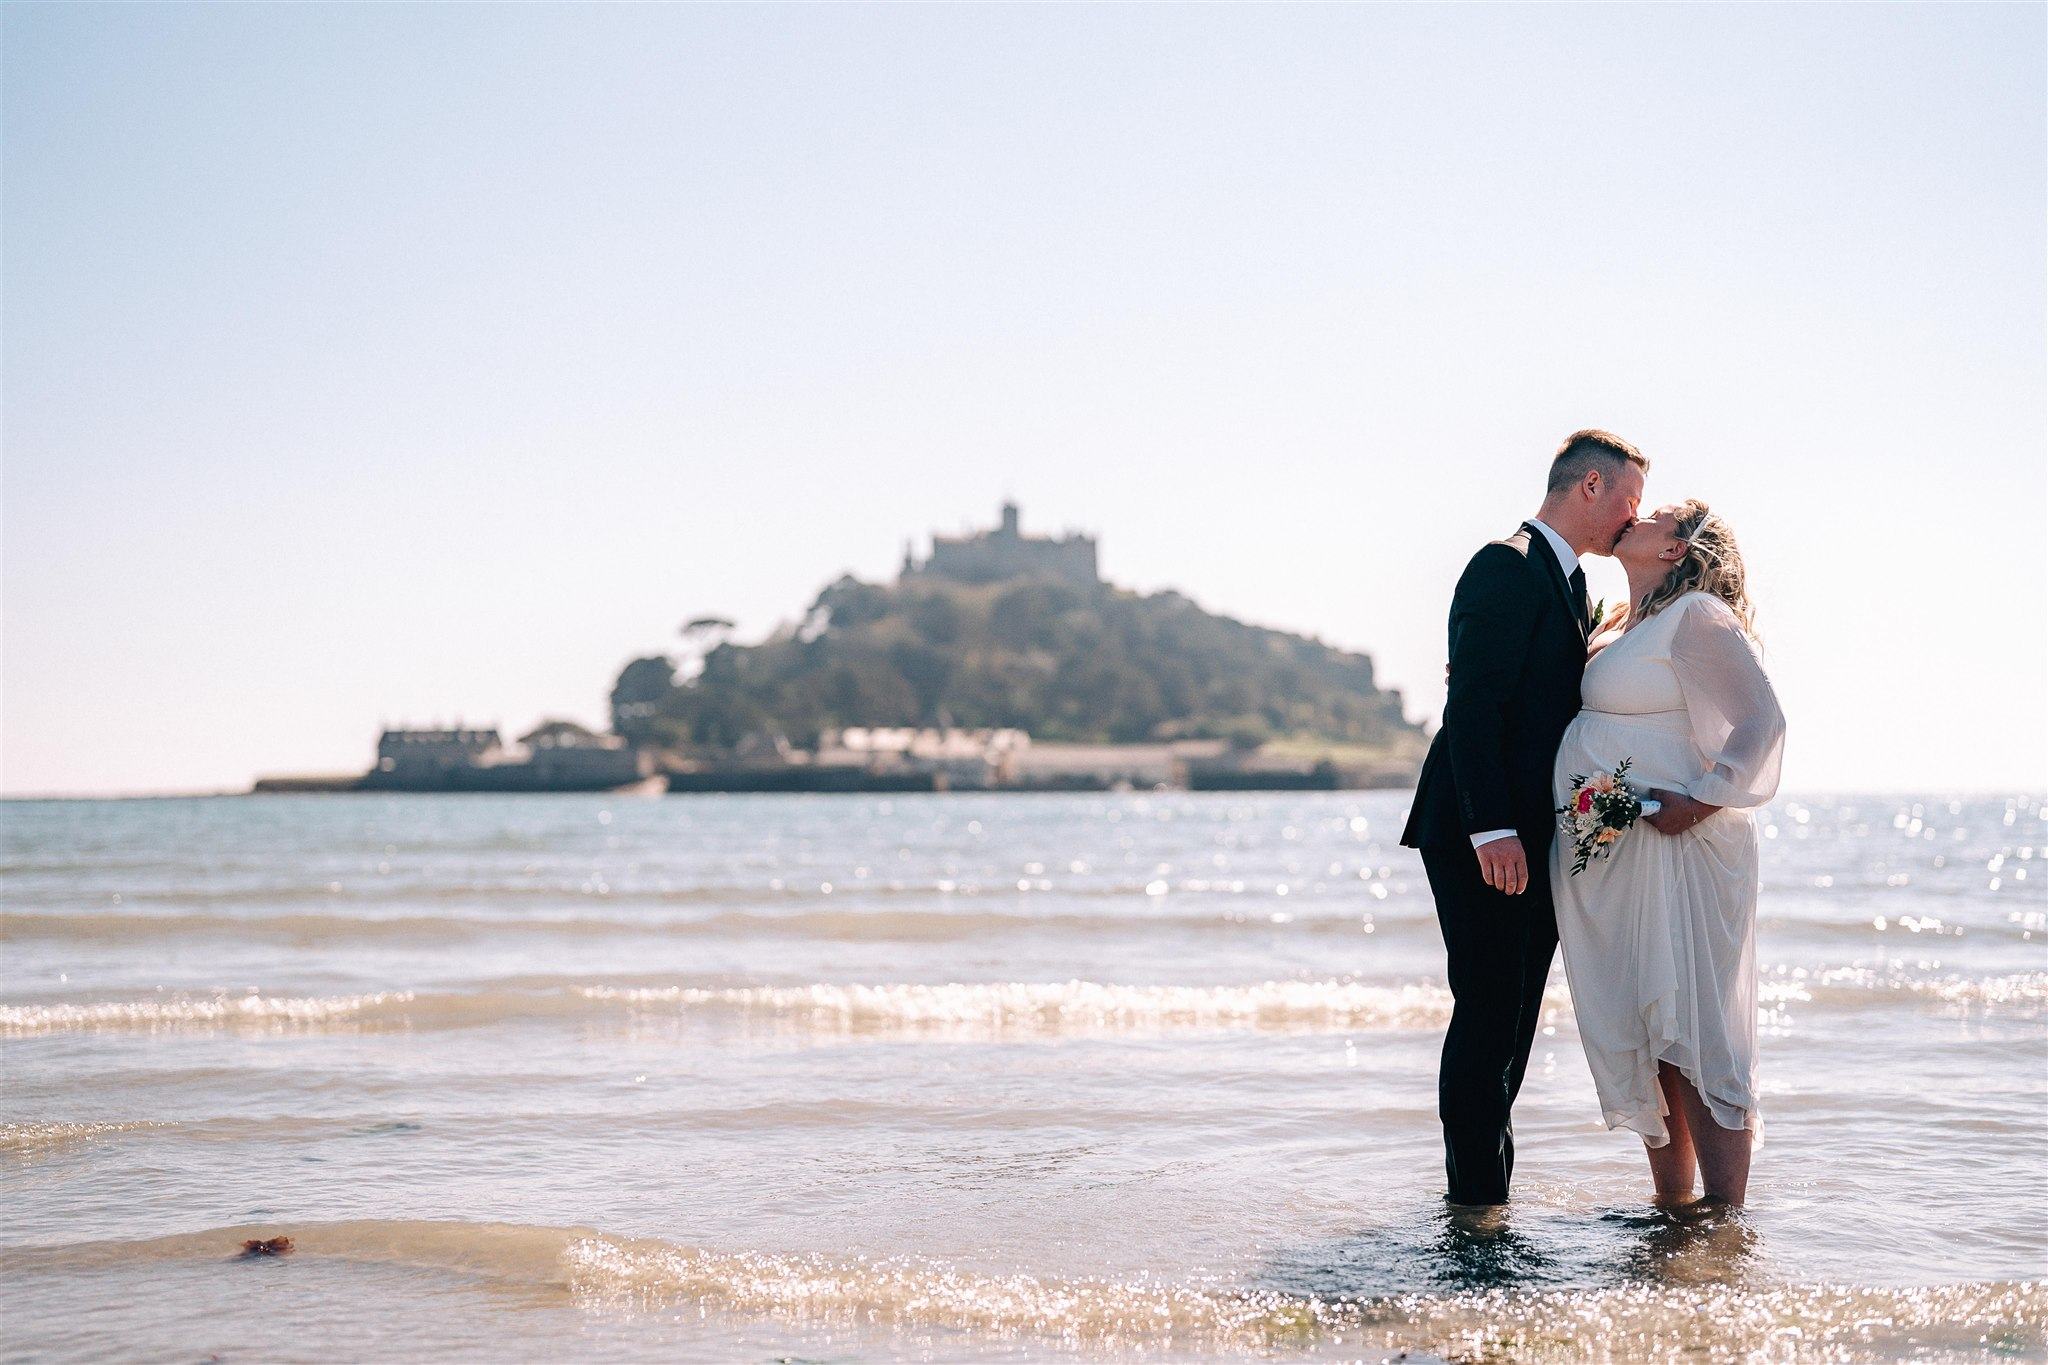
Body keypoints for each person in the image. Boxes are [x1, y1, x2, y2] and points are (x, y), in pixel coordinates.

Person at [1400, 430, 1647, 1207]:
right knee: (1486, 1014)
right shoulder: (1503, 565)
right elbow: (1471, 705)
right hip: (1484, 835)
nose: (1632, 515)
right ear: (1589, 488)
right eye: (1629, 498)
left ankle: (1485, 1197)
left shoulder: (1568, 583)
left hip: (1527, 833)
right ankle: (1473, 1209)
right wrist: (1491, 829)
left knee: (1512, 1024)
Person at [1549, 499, 1785, 1209]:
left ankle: (1723, 1224)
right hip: (1625, 856)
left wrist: (1704, 799)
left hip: (1681, 847)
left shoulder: (1698, 616)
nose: (1637, 515)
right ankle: (1673, 1213)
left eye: (1657, 514)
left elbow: (1762, 718)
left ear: (1678, 550)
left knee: (1693, 1027)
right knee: (1652, 1031)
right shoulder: (1625, 626)